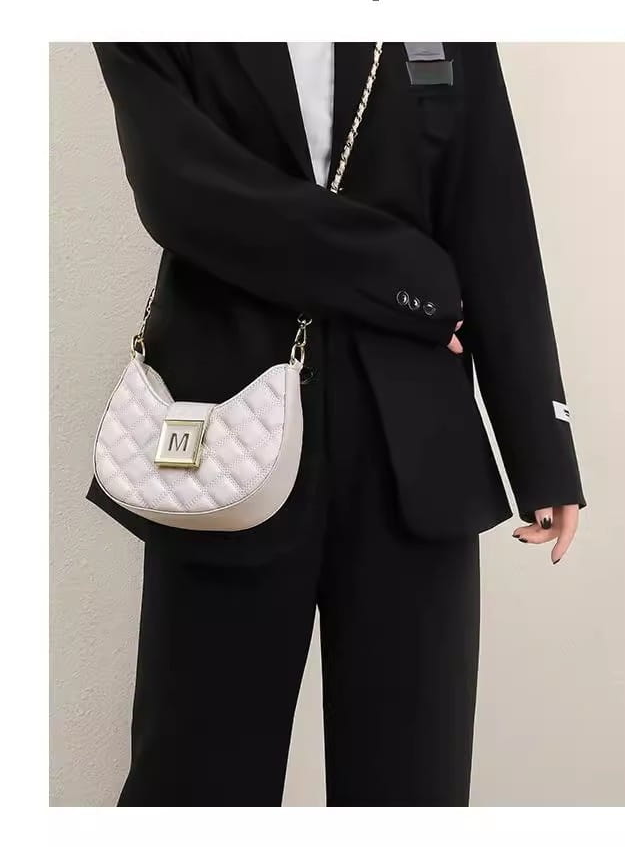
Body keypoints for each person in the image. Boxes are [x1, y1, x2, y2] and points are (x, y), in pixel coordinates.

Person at [88, 41, 586, 806]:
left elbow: (488, 203)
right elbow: (180, 187)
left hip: (415, 452)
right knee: (194, 784)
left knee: (412, 790)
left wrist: (540, 444)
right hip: (224, 444)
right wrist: (411, 280)